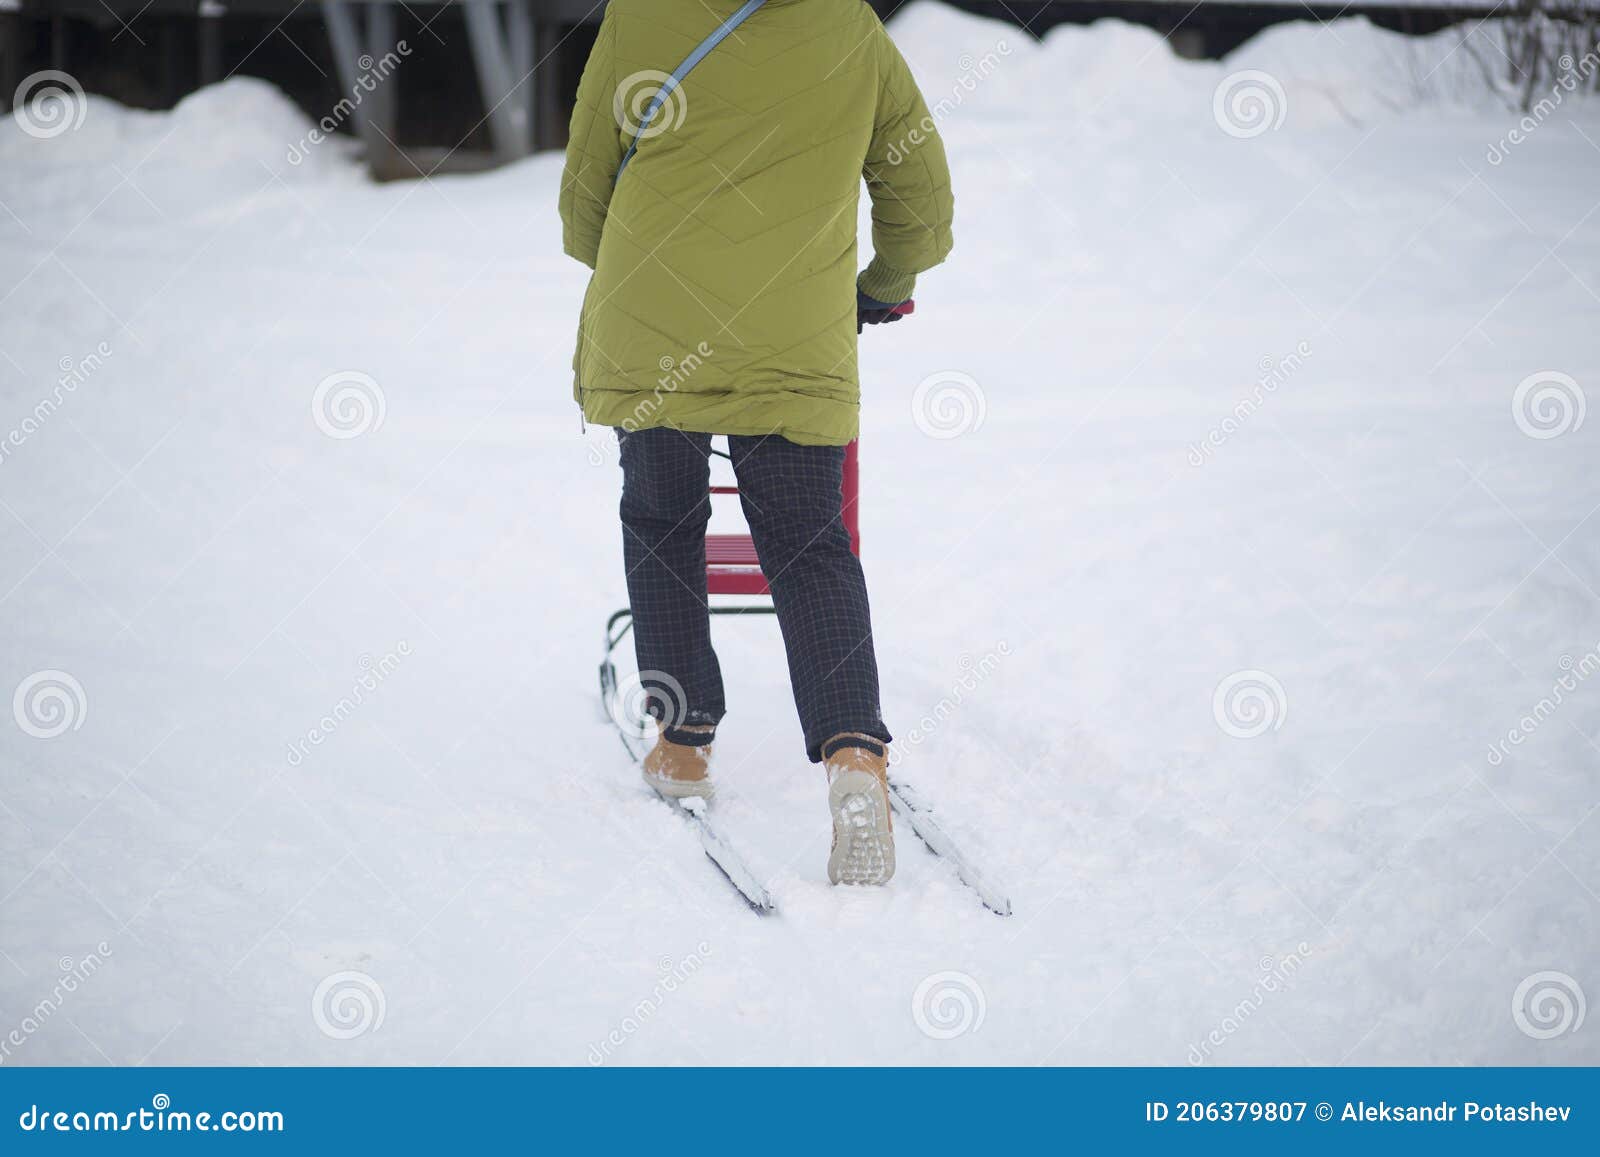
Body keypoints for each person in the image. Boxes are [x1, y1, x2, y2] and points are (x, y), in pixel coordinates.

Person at [560, 0, 953, 886]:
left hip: (651, 325)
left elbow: (584, 196)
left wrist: (641, 262)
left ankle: (686, 740)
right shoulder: (850, 29)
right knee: (812, 546)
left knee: (663, 517)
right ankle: (855, 757)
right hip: (796, 336)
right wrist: (883, 285)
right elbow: (919, 196)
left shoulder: (640, 16)